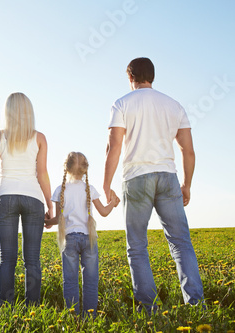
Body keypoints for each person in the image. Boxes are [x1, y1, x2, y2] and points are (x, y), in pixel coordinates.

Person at [103, 57, 204, 312]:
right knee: (181, 242)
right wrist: (187, 184)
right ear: (152, 77)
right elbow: (188, 151)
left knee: (137, 245)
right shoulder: (173, 105)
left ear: (130, 77)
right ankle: (196, 304)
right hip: (168, 176)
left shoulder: (122, 103)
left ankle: (149, 309)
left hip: (136, 178)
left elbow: (113, 147)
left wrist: (106, 185)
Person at [0, 92, 53, 306]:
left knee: (7, 259)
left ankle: (7, 307)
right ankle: (33, 307)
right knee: (32, 260)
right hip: (33, 199)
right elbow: (42, 173)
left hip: (6, 198)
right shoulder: (39, 138)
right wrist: (50, 205)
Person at [45, 152, 119, 316]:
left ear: (67, 167)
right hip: (89, 239)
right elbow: (104, 212)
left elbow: (58, 219)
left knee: (70, 281)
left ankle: (73, 317)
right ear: (85, 169)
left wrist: (47, 222)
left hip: (69, 239)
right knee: (91, 282)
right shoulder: (90, 189)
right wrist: (112, 203)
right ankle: (90, 318)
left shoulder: (60, 190)